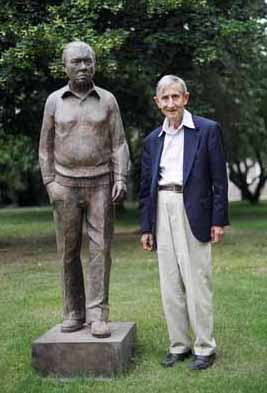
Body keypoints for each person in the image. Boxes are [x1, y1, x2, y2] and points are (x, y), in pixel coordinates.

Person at [39, 41, 129, 338]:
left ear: (95, 64)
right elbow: (45, 147)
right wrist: (50, 182)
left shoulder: (108, 100)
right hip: (65, 185)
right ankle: (73, 312)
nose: (82, 67)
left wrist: (120, 178)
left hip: (101, 183)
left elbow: (119, 143)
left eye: (87, 62)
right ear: (64, 66)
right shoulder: (54, 101)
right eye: (76, 62)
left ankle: (98, 315)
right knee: (68, 252)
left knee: (101, 250)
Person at [139, 75, 229, 370]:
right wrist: (146, 227)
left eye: (175, 97)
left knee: (197, 281)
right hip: (161, 208)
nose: (170, 103)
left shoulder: (207, 130)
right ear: (157, 103)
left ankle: (205, 347)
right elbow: (144, 187)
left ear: (186, 98)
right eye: (165, 98)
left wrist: (218, 220)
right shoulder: (152, 140)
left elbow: (219, 180)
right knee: (170, 284)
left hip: (194, 209)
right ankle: (179, 345)